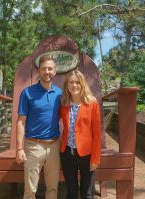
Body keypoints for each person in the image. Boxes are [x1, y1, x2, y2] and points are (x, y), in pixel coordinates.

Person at [15, 54, 62, 199]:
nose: (47, 72)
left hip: (54, 145)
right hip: (33, 146)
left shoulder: (60, 94)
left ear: (55, 71)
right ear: (39, 71)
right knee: (30, 191)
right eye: (44, 69)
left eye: (50, 69)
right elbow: (21, 122)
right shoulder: (27, 93)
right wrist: (19, 148)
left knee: (53, 188)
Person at [60, 70, 101, 199]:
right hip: (67, 153)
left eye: (78, 82)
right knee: (71, 192)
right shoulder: (64, 103)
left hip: (87, 154)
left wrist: (95, 159)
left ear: (82, 84)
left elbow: (97, 134)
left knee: (87, 193)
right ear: (67, 85)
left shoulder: (92, 103)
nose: (74, 85)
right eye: (71, 82)